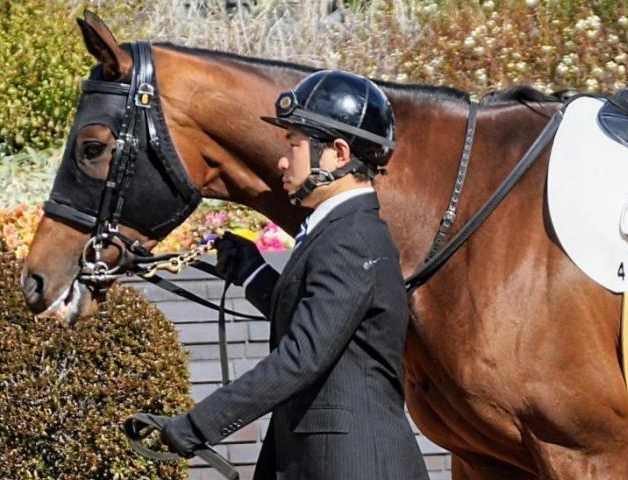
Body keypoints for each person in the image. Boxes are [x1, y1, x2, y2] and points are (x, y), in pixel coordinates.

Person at [160, 70, 429, 480]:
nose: (282, 161)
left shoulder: (350, 237)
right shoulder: (340, 230)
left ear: (338, 153)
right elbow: (321, 321)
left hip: (352, 465)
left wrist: (199, 426)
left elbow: (302, 355)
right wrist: (252, 273)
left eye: (295, 146)